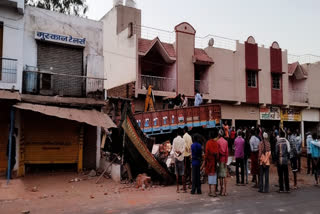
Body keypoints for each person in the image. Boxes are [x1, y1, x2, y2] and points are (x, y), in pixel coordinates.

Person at [205, 129, 219, 197]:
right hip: (214, 162)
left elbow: (207, 153)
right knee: (214, 176)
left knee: (210, 176)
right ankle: (214, 191)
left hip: (209, 162)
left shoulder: (208, 143)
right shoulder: (216, 143)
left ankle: (210, 191)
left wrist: (205, 160)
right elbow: (217, 154)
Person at [172, 128, 186, 193]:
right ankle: (183, 189)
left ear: (177, 134)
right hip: (181, 158)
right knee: (182, 173)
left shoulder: (174, 140)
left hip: (176, 158)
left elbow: (173, 149)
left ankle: (177, 189)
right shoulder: (183, 140)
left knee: (176, 173)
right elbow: (184, 148)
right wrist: (180, 153)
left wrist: (176, 154)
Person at [217, 129, 229, 196]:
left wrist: (218, 160)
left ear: (219, 134)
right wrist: (226, 161)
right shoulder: (226, 142)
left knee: (220, 177)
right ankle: (225, 191)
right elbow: (227, 152)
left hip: (220, 160)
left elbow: (218, 153)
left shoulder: (218, 141)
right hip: (224, 160)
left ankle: (221, 191)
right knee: (225, 176)